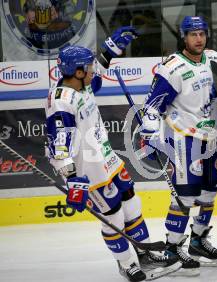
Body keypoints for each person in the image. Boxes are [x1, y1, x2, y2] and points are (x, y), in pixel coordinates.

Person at [45, 27, 181, 282]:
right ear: (77, 72)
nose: (92, 69)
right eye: (88, 66)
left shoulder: (78, 84)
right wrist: (72, 177)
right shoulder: (62, 102)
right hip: (89, 171)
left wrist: (110, 49)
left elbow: (98, 72)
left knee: (131, 203)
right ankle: (127, 264)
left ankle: (144, 254)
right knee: (113, 217)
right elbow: (58, 145)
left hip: (107, 159)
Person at [140, 16, 217, 276]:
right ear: (183, 37)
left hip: (213, 136)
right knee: (185, 196)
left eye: (202, 33)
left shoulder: (213, 60)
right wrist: (150, 133)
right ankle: (172, 247)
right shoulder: (173, 68)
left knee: (210, 192)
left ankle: (198, 241)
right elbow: (152, 106)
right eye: (193, 34)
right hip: (184, 138)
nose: (198, 39)